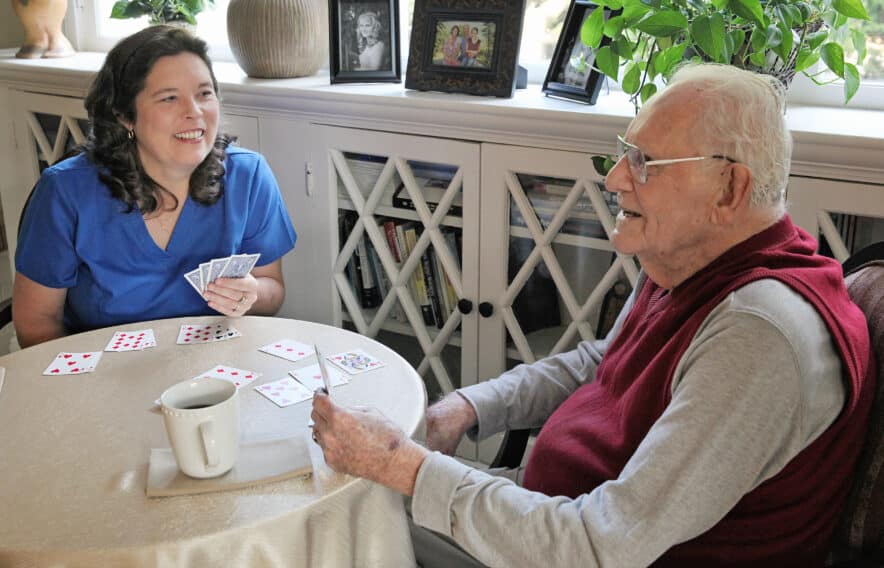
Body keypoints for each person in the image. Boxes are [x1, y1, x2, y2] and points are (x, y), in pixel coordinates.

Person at [310, 63, 875, 566]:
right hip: (554, 515)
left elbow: (605, 544)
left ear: (728, 188)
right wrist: (468, 406)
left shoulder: (759, 335)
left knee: (345, 523)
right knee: (354, 502)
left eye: (645, 163)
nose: (614, 179)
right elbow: (603, 364)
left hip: (580, 547)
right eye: (623, 154)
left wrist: (401, 464)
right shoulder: (690, 263)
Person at [13, 25, 297, 348]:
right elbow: (35, 322)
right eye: (169, 98)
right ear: (125, 116)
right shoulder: (64, 192)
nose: (194, 112)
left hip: (213, 371)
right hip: (105, 379)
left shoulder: (250, 176)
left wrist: (252, 294)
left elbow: (272, 289)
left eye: (204, 94)